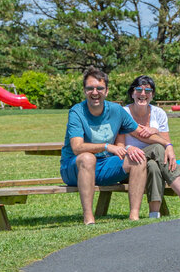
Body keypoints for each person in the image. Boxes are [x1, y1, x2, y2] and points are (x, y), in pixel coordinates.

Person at [60, 68, 151, 224]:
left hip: (103, 166)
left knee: (139, 158)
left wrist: (166, 143)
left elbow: (140, 132)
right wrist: (107, 147)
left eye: (99, 88)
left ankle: (134, 217)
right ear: (84, 91)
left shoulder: (116, 110)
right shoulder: (76, 112)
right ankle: (89, 218)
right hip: (74, 167)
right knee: (88, 158)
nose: (95, 92)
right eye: (90, 88)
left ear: (106, 91)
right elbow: (76, 147)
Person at [122, 75, 180, 218]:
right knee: (157, 148)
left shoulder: (159, 113)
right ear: (132, 93)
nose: (143, 94)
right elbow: (159, 143)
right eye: (138, 90)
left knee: (154, 166)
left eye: (148, 91)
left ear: (152, 95)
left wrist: (156, 132)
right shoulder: (124, 113)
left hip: (153, 160)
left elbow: (167, 143)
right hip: (130, 162)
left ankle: (154, 214)